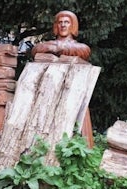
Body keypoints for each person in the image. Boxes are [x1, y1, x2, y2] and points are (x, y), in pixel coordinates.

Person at [31, 10, 94, 148]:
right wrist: (53, 47)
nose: (63, 25)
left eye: (67, 22)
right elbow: (36, 49)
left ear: (72, 26)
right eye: (60, 22)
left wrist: (57, 47)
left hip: (74, 92)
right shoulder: (46, 45)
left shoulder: (80, 48)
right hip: (50, 92)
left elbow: (84, 51)